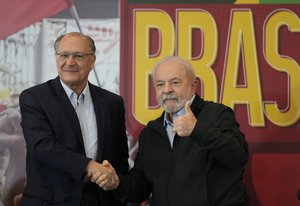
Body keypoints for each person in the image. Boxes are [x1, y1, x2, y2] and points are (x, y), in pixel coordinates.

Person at [93, 55, 249, 206]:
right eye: (160, 84)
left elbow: (238, 155)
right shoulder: (151, 133)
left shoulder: (217, 114)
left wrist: (197, 130)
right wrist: (117, 182)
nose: (167, 90)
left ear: (193, 85)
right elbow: (141, 187)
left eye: (175, 82)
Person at [18, 32, 128, 206]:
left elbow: (120, 156)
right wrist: (90, 166)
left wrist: (113, 178)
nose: (70, 62)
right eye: (64, 55)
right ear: (56, 59)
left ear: (92, 60)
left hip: (100, 200)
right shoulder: (34, 97)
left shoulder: (112, 102)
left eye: (78, 56)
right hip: (52, 200)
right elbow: (42, 146)